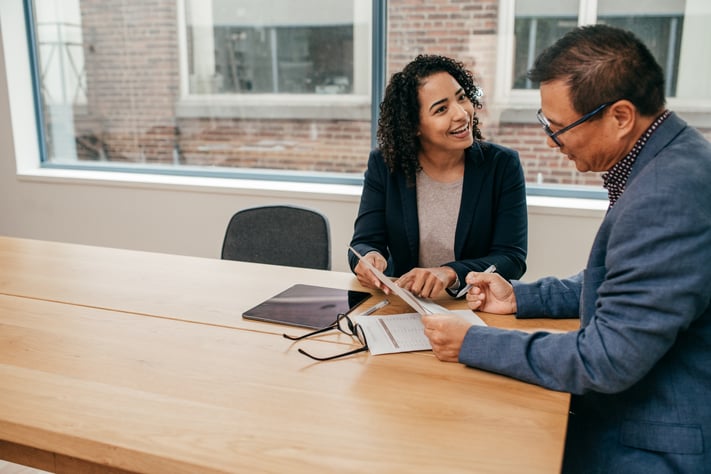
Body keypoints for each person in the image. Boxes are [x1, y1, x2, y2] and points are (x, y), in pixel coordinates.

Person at [422, 25, 711, 473]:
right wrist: (521, 296)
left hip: (651, 440)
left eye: (560, 127)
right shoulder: (672, 158)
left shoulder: (666, 195)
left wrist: (474, 343)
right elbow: (624, 280)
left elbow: (607, 359)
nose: (551, 141)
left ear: (620, 117)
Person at [348, 54, 527, 299]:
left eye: (462, 98)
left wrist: (450, 273)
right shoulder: (385, 164)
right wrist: (369, 258)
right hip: (405, 304)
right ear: (414, 126)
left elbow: (511, 258)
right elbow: (364, 242)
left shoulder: (502, 165)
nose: (462, 114)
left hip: (475, 306)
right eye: (441, 109)